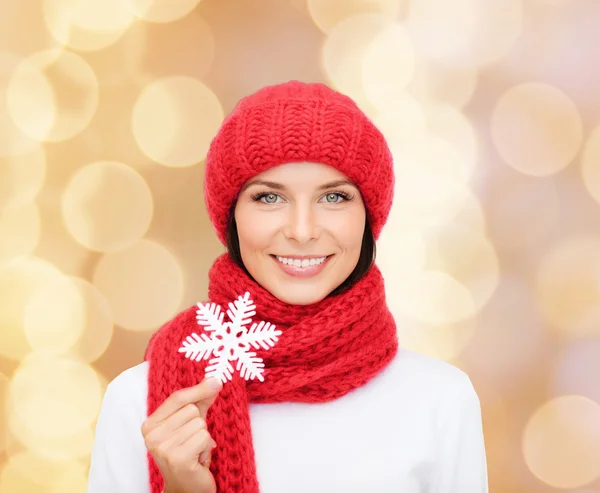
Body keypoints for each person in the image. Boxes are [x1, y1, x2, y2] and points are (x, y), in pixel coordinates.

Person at [87, 81, 488, 493]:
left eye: (333, 197)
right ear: (232, 218)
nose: (302, 231)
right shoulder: (143, 404)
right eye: (268, 198)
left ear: (369, 217)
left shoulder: (441, 400)